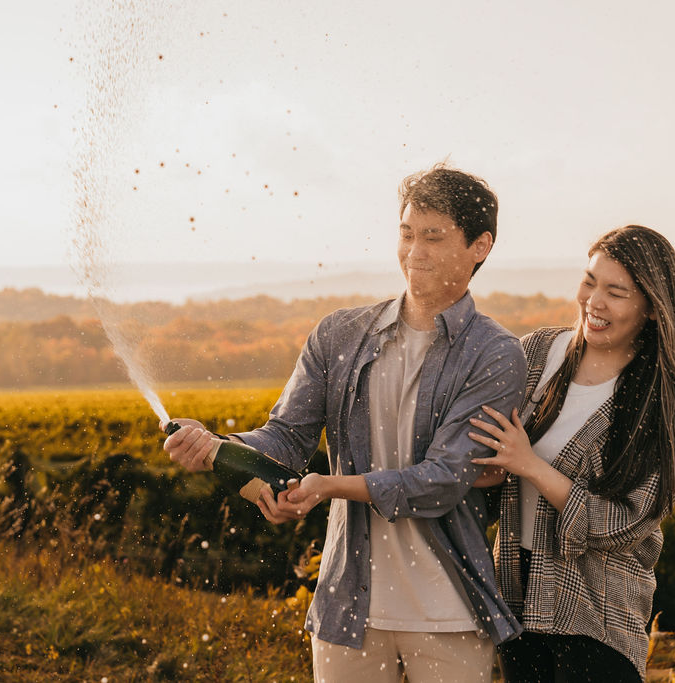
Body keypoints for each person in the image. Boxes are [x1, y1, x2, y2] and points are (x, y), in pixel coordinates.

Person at [164, 164, 525, 682]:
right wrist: (217, 447)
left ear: (480, 246)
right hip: (347, 605)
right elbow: (285, 438)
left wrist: (330, 486)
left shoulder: (495, 353)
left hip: (449, 611)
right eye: (406, 233)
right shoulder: (338, 334)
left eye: (433, 236)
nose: (414, 251)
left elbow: (444, 480)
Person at [467, 225, 675, 682]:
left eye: (616, 292)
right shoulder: (537, 354)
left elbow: (626, 524)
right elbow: (488, 460)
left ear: (652, 310)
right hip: (518, 600)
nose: (594, 301)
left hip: (597, 617)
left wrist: (530, 465)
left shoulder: (659, 401)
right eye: (590, 281)